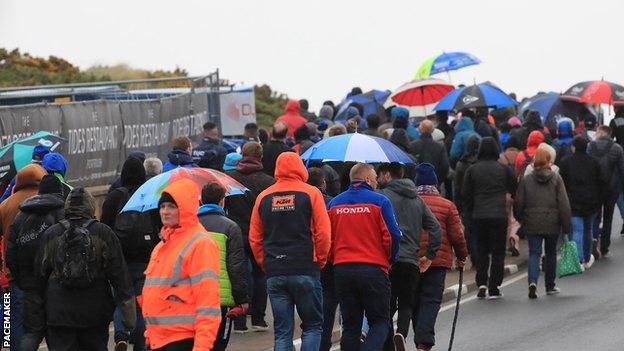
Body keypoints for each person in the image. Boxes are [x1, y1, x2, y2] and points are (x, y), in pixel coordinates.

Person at [249, 152, 331, 351]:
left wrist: (265, 263)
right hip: (305, 267)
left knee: (282, 331)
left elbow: (255, 237)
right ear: (300, 168)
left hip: (275, 269)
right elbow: (323, 233)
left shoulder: (263, 197)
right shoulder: (311, 193)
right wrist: (319, 261)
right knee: (312, 327)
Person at [36, 187, 136, 351]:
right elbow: (120, 277)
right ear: (91, 207)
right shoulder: (103, 233)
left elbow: (39, 278)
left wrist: (37, 320)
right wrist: (128, 321)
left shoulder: (52, 234)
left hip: (59, 313)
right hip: (95, 313)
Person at [328, 163, 402, 351]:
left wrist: (333, 259)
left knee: (351, 325)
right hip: (373, 268)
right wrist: (390, 259)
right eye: (375, 178)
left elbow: (327, 237)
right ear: (368, 179)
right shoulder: (380, 201)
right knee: (379, 322)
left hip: (342, 268)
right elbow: (393, 234)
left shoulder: (334, 203)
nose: (377, 181)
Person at [141, 179, 221, 351]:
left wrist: (202, 346)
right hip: (158, 339)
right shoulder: (162, 245)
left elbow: (208, 303)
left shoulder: (200, 243)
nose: (165, 212)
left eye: (171, 206)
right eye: (162, 207)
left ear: (184, 208)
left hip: (183, 340)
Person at [377, 162, 441, 347]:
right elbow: (435, 228)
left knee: (388, 306)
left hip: (387, 260)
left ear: (387, 175)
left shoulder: (382, 197)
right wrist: (429, 254)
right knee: (407, 303)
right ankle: (402, 333)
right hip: (411, 260)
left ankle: (388, 342)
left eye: (380, 175)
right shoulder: (417, 199)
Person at [5, 175, 64, 351]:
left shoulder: (21, 215)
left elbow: (11, 252)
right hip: (57, 285)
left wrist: (21, 280)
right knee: (57, 333)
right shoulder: (62, 213)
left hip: (29, 285)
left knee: (31, 332)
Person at [101, 156, 153, 351]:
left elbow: (105, 226)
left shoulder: (114, 196)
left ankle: (121, 335)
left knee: (122, 299)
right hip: (145, 259)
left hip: (119, 258)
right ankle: (141, 344)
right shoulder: (149, 195)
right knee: (141, 303)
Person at [414, 163, 468, 351]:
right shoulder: (447, 205)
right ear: (436, 184)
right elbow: (457, 235)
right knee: (430, 300)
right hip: (438, 261)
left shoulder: (409, 203)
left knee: (414, 301)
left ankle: (418, 339)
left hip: (412, 260)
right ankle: (423, 343)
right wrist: (462, 256)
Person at [225, 142, 275, 333]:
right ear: (260, 157)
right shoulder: (268, 181)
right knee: (260, 274)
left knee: (238, 274)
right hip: (260, 233)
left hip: (235, 232)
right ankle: (259, 319)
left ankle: (239, 321)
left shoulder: (229, 179)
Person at [462, 137, 517, 299]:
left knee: (481, 250)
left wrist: (468, 214)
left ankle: (482, 282)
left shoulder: (472, 170)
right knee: (498, 252)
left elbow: (466, 194)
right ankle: (494, 286)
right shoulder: (504, 169)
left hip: (479, 215)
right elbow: (515, 189)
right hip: (499, 215)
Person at [198, 183, 249, 351]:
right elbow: (236, 267)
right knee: (219, 344)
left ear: (201, 201)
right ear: (222, 201)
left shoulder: (190, 225)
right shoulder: (230, 227)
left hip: (194, 296)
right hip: (221, 298)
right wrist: (241, 299)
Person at [514, 148, 572, 298]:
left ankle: (532, 282)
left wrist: (520, 218)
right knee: (551, 253)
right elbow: (563, 203)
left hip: (532, 221)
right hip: (552, 222)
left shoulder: (527, 180)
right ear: (548, 161)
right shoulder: (556, 178)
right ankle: (549, 286)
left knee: (534, 253)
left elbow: (519, 202)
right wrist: (566, 225)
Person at [0, 163, 46, 345]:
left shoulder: (5, 205)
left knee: (15, 317)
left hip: (14, 272)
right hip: (43, 271)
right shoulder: (46, 199)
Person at [560, 136, 602, 269]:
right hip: (591, 201)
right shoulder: (594, 162)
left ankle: (578, 260)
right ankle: (587, 257)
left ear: (574, 147)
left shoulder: (565, 162)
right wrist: (598, 199)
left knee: (577, 230)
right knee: (588, 229)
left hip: (573, 201)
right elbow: (601, 181)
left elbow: (562, 183)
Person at [305, 167, 336, 351]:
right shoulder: (331, 203)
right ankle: (324, 345)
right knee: (328, 307)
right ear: (323, 183)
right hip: (327, 260)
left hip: (305, 259)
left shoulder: (300, 200)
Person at [588, 125, 624, 258]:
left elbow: (588, 165)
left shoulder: (591, 146)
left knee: (596, 216)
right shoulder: (617, 148)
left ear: (601, 133)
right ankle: (604, 248)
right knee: (608, 218)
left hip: (595, 187)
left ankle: (594, 239)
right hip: (612, 188)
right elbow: (622, 169)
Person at [453, 135, 480, 266]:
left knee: (471, 232)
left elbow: (457, 187)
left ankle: (475, 258)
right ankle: (480, 257)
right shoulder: (481, 163)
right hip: (481, 202)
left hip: (467, 203)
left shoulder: (461, 164)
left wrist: (457, 205)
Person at [410, 120, 449, 186]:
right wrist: (439, 180)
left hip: (416, 182)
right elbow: (445, 166)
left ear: (420, 130)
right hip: (435, 181)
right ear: (432, 130)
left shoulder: (412, 145)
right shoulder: (440, 146)